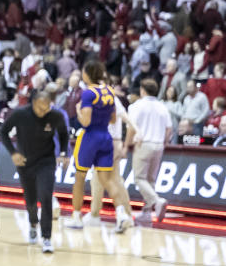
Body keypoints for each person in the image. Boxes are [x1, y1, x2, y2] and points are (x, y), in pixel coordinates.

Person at [66, 61, 134, 233]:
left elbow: (86, 121)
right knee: (108, 180)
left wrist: (79, 111)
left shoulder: (88, 93)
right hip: (106, 137)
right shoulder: (110, 92)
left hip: (90, 137)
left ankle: (76, 217)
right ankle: (122, 215)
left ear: (87, 74)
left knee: (80, 177)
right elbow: (112, 119)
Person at [0, 90, 70, 252]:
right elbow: (3, 132)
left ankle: (46, 238)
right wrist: (13, 153)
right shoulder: (20, 114)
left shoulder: (55, 116)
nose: (44, 112)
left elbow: (64, 134)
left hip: (47, 161)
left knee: (46, 196)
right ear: (34, 104)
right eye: (41, 109)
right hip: (25, 161)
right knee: (30, 199)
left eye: (47, 108)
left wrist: (64, 153)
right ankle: (32, 222)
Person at [125, 79, 173, 225]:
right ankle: (146, 213)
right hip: (158, 145)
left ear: (142, 90)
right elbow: (169, 128)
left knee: (140, 178)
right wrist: (164, 142)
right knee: (151, 180)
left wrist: (127, 144)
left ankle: (157, 201)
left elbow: (131, 127)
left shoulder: (137, 106)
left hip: (143, 144)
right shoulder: (162, 106)